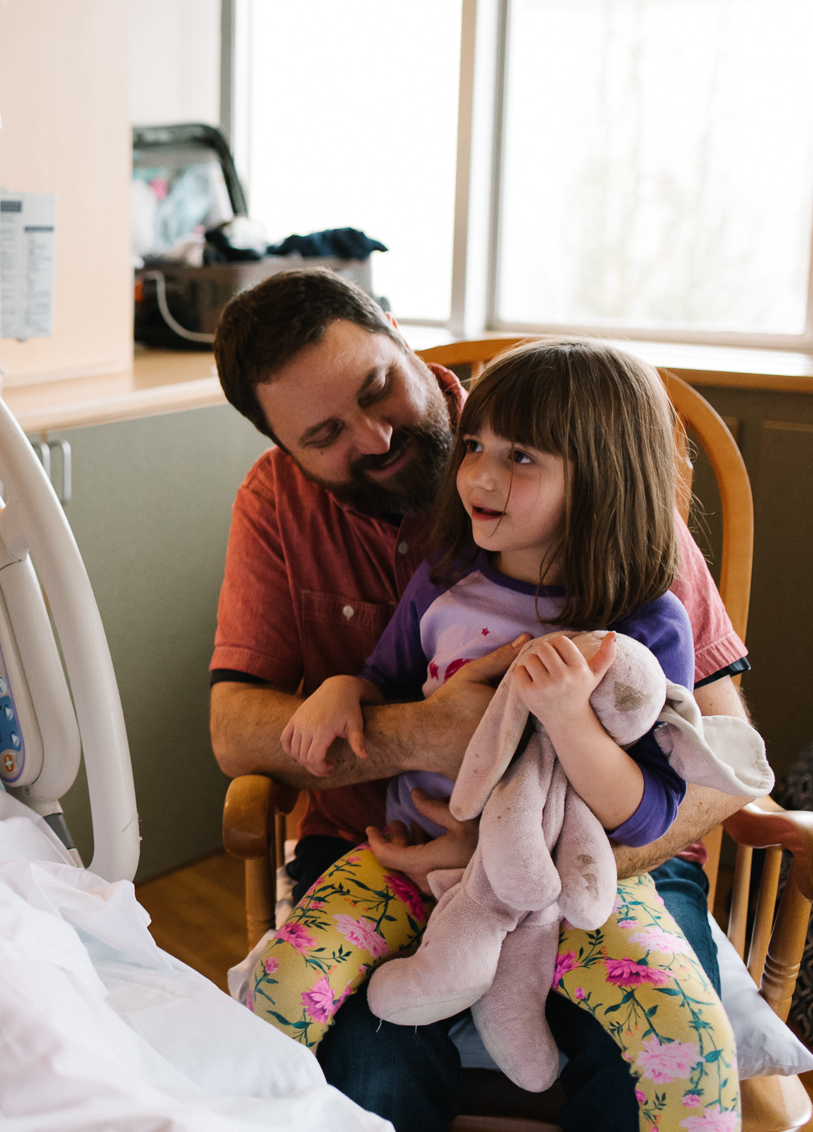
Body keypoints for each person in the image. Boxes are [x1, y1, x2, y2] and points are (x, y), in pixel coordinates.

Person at [207, 269, 751, 1131]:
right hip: (387, 847)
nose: (377, 434)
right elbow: (237, 731)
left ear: (397, 331)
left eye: (377, 386)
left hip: (601, 866)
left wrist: (546, 844)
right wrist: (424, 735)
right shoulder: (323, 524)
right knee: (368, 1069)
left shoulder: (586, 456)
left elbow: (725, 752)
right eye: (325, 435)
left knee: (645, 1066)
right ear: (285, 450)